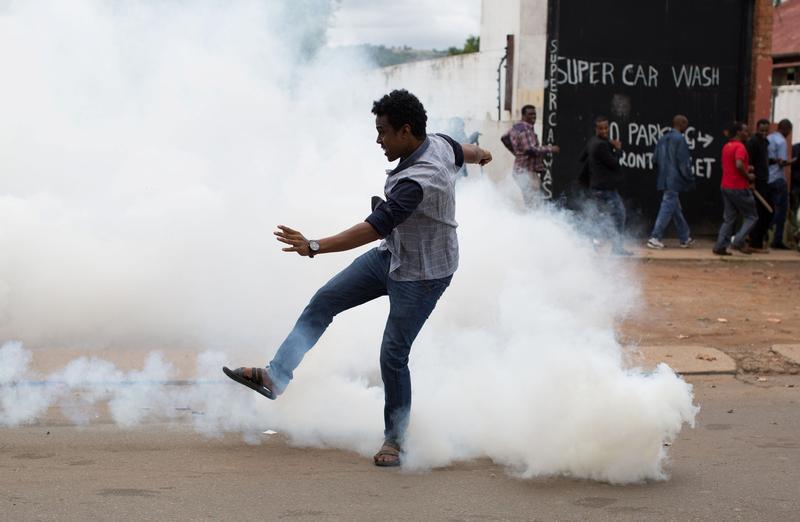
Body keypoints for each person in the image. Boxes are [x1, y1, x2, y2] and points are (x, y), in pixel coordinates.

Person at [222, 89, 492, 467]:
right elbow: (465, 150)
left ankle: (395, 441)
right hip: (393, 256)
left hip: (423, 275)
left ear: (406, 130)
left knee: (393, 354)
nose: (378, 139)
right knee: (325, 300)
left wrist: (314, 245)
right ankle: (275, 376)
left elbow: (373, 228)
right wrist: (481, 155)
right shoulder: (440, 144)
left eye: (383, 131)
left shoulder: (419, 180)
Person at [581, 115, 632, 256]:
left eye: (606, 128)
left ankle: (592, 244)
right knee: (619, 216)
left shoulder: (593, 142)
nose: (604, 131)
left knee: (600, 217)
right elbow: (615, 163)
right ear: (596, 129)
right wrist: (618, 149)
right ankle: (616, 248)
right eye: (601, 128)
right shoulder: (601, 145)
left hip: (596, 187)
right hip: (605, 188)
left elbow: (582, 157)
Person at [646, 115, 695, 249]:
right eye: (686, 124)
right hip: (674, 180)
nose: (687, 127)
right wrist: (690, 178)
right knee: (668, 207)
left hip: (663, 179)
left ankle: (684, 238)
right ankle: (655, 237)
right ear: (682, 124)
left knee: (675, 208)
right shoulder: (680, 139)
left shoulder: (662, 138)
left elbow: (654, 159)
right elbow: (683, 163)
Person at [501, 105, 559, 208]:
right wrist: (551, 148)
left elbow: (504, 138)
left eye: (534, 114)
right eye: (530, 114)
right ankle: (531, 222)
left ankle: (530, 221)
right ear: (523, 115)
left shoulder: (517, 127)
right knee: (534, 204)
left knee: (530, 202)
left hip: (521, 171)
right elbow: (530, 149)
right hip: (527, 172)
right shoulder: (526, 129)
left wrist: (517, 152)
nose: (534, 116)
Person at [713, 121, 757, 255]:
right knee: (752, 216)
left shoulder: (727, 146)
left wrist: (746, 167)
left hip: (725, 185)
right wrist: (748, 175)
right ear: (738, 132)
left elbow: (728, 165)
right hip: (738, 186)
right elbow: (738, 165)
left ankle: (720, 246)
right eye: (745, 131)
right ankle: (738, 241)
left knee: (729, 218)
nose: (747, 133)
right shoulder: (740, 147)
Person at [745, 119, 773, 253]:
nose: (764, 133)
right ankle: (754, 243)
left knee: (765, 212)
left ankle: (756, 241)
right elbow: (750, 163)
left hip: (764, 181)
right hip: (757, 183)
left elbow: (763, 161)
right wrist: (752, 182)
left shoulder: (765, 143)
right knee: (760, 213)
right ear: (757, 129)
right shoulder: (753, 143)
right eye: (761, 130)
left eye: (766, 131)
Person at [767, 119, 794, 249]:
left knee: (768, 208)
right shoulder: (782, 141)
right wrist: (793, 161)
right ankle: (776, 239)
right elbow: (781, 163)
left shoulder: (769, 138)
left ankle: (765, 231)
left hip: (767, 179)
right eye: (789, 131)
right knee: (781, 210)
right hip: (778, 178)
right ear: (786, 129)